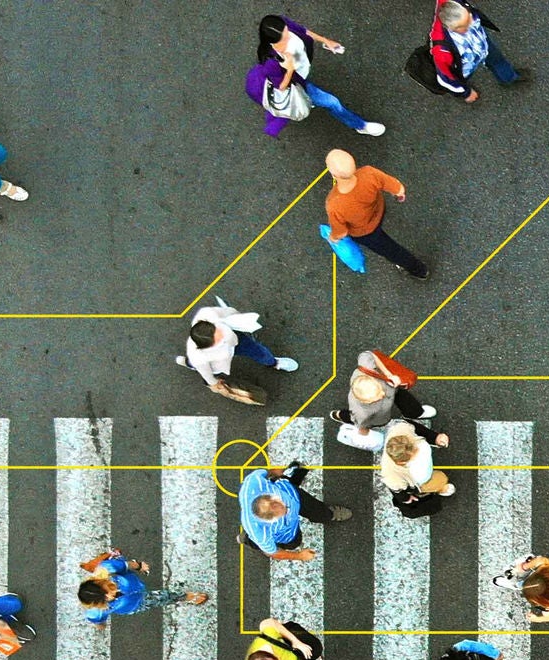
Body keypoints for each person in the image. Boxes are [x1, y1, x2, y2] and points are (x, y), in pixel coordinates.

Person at [246, 14, 384, 138]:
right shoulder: (271, 61)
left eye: (287, 32)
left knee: (326, 100)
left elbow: (304, 31)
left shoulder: (282, 25)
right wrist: (289, 69)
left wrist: (326, 41)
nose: (289, 37)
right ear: (272, 42)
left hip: (302, 71)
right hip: (298, 83)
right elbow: (281, 87)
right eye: (284, 38)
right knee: (332, 102)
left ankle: (311, 102)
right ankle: (360, 126)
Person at [324, 149, 429, 277]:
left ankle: (419, 270)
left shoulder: (334, 204)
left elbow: (341, 232)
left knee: (391, 250)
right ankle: (419, 270)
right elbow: (397, 187)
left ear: (334, 175)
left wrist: (332, 238)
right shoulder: (369, 173)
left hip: (366, 233)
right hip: (379, 210)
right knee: (392, 248)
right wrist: (399, 194)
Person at [177, 299, 298, 406]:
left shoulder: (208, 314)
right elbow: (207, 373)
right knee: (198, 365)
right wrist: (214, 383)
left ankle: (274, 362)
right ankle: (189, 363)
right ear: (207, 346)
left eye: (218, 331)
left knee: (259, 351)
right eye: (218, 340)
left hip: (237, 342)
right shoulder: (198, 356)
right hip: (218, 363)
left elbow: (228, 312)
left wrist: (237, 318)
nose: (222, 336)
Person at [239, 462, 353, 561]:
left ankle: (329, 514)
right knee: (294, 543)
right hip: (289, 533)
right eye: (284, 511)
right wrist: (299, 556)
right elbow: (273, 553)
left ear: (270, 496)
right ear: (271, 520)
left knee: (318, 511)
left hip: (293, 495)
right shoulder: (259, 531)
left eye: (281, 503)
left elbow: (267, 473)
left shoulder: (254, 482)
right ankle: (249, 540)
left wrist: (277, 472)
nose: (287, 508)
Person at [423, 1, 530, 101]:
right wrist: (466, 93)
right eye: (466, 24)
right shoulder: (442, 52)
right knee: (461, 79)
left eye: (469, 15)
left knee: (497, 59)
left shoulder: (455, 9)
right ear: (452, 28)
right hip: (465, 64)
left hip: (481, 44)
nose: (471, 21)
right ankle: (464, 88)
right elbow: (446, 79)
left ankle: (508, 77)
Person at [330, 348, 434, 448]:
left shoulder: (366, 367)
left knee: (405, 398)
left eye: (379, 390)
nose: (382, 394)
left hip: (392, 388)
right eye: (377, 397)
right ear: (366, 401)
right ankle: (340, 415)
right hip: (377, 415)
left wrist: (388, 374)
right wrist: (366, 435)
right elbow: (362, 427)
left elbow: (370, 354)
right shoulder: (361, 412)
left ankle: (415, 412)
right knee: (357, 419)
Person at [77, 549, 210, 626]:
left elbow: (126, 565)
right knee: (162, 598)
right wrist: (100, 624)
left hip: (131, 583)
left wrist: (139, 566)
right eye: (104, 599)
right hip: (137, 603)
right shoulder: (95, 612)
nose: (110, 595)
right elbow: (97, 620)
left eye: (107, 589)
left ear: (101, 581)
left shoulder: (107, 568)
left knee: (117, 562)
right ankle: (185, 597)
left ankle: (109, 557)